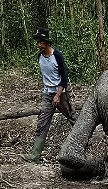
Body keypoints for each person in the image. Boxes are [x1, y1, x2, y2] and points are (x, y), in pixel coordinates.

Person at [21, 27, 76, 163]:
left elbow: (64, 77)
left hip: (61, 94)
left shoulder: (57, 56)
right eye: (38, 41)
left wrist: (58, 95)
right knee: (42, 123)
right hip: (47, 94)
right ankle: (35, 156)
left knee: (72, 118)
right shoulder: (39, 56)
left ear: (47, 42)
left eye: (41, 42)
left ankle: (86, 143)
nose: (39, 44)